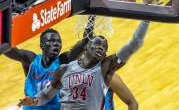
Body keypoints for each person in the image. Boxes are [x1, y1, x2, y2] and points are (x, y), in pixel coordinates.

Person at [18, 19, 150, 110]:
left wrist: (145, 21)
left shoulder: (105, 73)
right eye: (97, 44)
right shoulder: (64, 70)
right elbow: (46, 95)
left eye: (104, 47)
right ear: (86, 48)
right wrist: (34, 101)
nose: (100, 48)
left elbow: (134, 44)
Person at [4, 16, 95, 110]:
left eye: (59, 42)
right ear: (42, 46)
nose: (56, 44)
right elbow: (7, 49)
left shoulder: (63, 60)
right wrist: (4, 27)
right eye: (51, 41)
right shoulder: (31, 60)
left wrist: (92, 17)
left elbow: (84, 43)